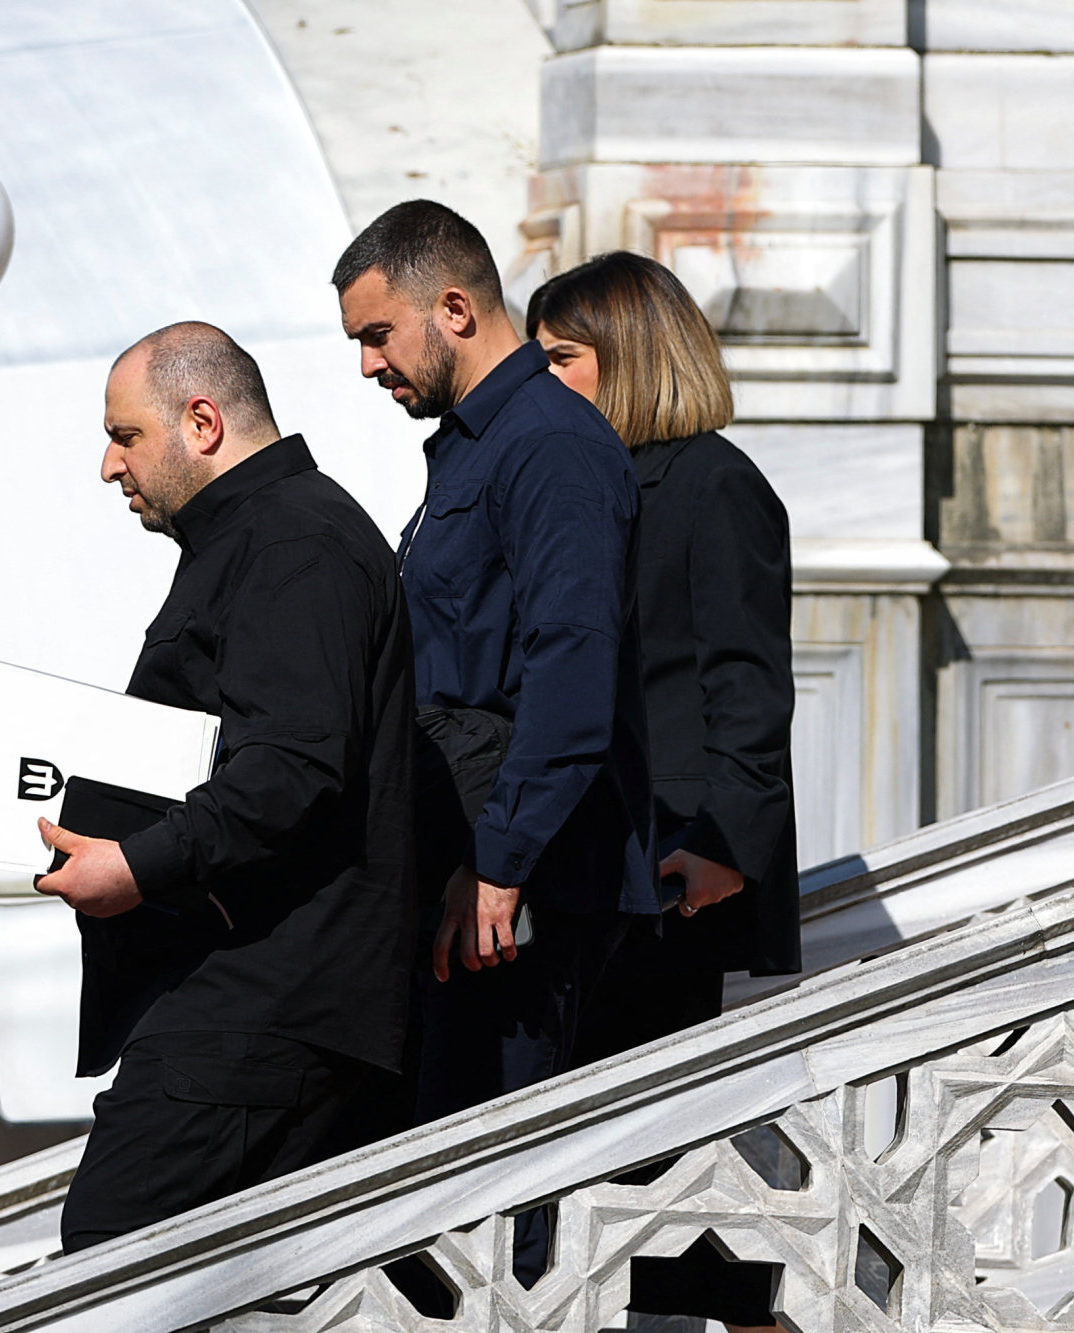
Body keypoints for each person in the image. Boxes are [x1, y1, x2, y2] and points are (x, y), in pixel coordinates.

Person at [34, 321, 418, 1253]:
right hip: (244, 996)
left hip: (263, 1004)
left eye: (126, 436)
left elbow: (291, 766)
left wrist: (134, 865)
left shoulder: (294, 541)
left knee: (105, 1280)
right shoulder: (261, 538)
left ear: (201, 420)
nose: (108, 466)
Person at [333, 201, 658, 1287]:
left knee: (489, 1215)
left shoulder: (549, 447)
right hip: (471, 859)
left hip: (522, 884)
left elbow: (574, 671)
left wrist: (501, 861)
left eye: (378, 336)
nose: (369, 365)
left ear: (456, 309)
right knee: (438, 1190)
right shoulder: (477, 448)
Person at [531, 250, 798, 1333]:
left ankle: (753, 1316)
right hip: (603, 859)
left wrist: (723, 840)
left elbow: (747, 679)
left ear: (628, 358)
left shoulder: (711, 482)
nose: (540, 379)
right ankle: (744, 1314)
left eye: (561, 358)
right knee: (614, 1150)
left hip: (678, 862)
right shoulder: (593, 484)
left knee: (637, 1143)